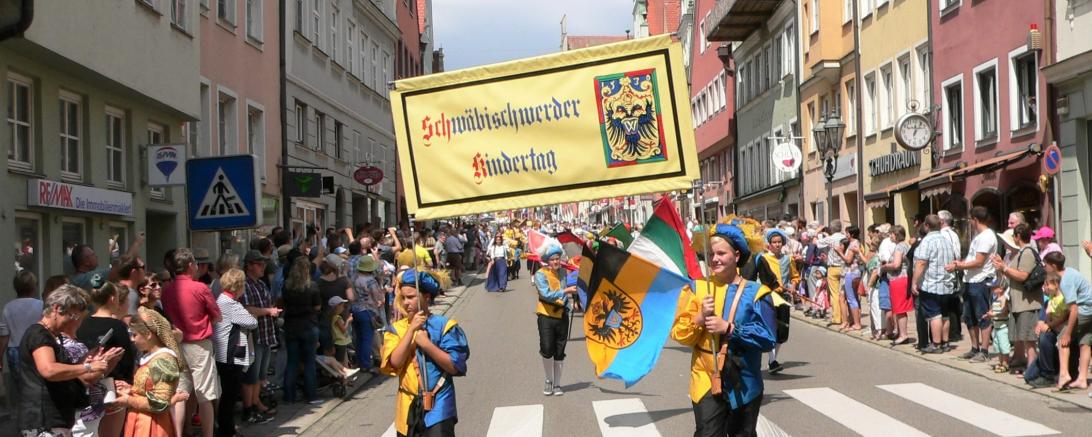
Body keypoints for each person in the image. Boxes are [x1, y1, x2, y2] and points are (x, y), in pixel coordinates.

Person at [671, 220, 779, 437]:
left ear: (736, 256)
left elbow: (768, 338)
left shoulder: (757, 292)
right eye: (711, 254)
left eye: (721, 253)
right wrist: (699, 317)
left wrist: (729, 328)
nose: (714, 259)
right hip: (706, 379)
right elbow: (679, 334)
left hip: (746, 380)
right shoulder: (697, 288)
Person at [19, 285, 119, 436]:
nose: (75, 321)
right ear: (57, 309)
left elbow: (67, 374)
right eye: (73, 316)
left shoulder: (53, 336)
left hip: (57, 421)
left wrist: (87, 359)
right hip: (43, 422)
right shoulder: (39, 334)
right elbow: (49, 370)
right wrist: (88, 367)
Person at [381, 268, 469, 437]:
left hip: (440, 404)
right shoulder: (396, 329)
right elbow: (394, 363)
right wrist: (411, 330)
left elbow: (455, 366)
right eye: (403, 298)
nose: (406, 303)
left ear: (426, 297)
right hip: (408, 405)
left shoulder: (445, 326)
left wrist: (427, 345)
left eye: (411, 297)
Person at [161, 248, 222, 437]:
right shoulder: (200, 288)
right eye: (195, 263)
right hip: (199, 344)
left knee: (180, 393)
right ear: (190, 265)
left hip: (176, 344)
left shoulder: (167, 290)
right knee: (205, 395)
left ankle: (179, 433)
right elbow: (217, 316)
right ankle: (208, 434)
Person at [75, 281, 138, 437]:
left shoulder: (83, 323)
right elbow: (126, 360)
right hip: (111, 386)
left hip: (86, 383)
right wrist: (128, 384)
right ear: (112, 298)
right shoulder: (118, 326)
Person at [119, 308, 184, 437]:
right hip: (141, 420)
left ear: (148, 334)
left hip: (153, 425)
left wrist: (128, 400)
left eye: (135, 334)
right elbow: (149, 388)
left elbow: (160, 403)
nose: (132, 339)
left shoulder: (164, 360)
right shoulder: (151, 357)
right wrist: (131, 389)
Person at [214, 268, 261, 434]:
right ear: (238, 286)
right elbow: (252, 322)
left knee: (228, 395)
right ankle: (227, 431)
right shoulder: (231, 304)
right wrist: (251, 316)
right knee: (230, 396)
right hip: (231, 355)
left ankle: (226, 429)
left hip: (224, 353)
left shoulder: (221, 299)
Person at [947, 206, 997, 363]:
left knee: (982, 316)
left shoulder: (987, 236)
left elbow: (979, 262)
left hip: (980, 281)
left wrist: (959, 266)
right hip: (970, 280)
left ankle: (984, 350)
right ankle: (974, 348)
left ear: (975, 220)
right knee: (969, 317)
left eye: (970, 219)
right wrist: (960, 263)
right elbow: (971, 259)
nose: (969, 222)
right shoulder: (978, 236)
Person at [992, 224, 1041, 375]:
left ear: (1018, 236)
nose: (1013, 238)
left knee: (1029, 339)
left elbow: (1023, 275)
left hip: (1027, 303)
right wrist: (1002, 266)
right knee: (1024, 337)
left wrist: (1005, 268)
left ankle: (1032, 370)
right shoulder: (1021, 252)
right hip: (1019, 302)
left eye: (1014, 235)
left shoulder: (1027, 252)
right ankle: (1025, 364)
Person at [240, 250, 280, 424]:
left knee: (260, 375)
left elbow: (268, 303)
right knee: (251, 375)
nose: (263, 267)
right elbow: (247, 309)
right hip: (253, 335)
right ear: (249, 266)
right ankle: (248, 409)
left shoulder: (261, 284)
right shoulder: (245, 285)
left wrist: (272, 310)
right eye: (259, 264)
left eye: (264, 264)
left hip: (265, 333)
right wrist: (268, 311)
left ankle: (256, 403)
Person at [533, 242, 578, 396]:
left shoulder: (564, 272)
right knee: (547, 349)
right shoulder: (540, 274)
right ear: (547, 261)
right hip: (546, 315)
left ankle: (557, 384)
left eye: (557, 258)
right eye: (552, 259)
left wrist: (574, 300)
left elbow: (570, 288)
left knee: (560, 351)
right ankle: (548, 380)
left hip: (562, 315)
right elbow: (546, 294)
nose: (555, 261)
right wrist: (565, 291)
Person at [1043, 252, 1092, 392]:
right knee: (1085, 342)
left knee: (1062, 340)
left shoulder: (1065, 281)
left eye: (1045, 265)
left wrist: (1068, 333)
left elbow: (1074, 309)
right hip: (1090, 308)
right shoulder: (1069, 271)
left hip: (1084, 309)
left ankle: (1064, 375)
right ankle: (1082, 380)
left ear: (1053, 266)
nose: (1044, 267)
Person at [913, 215, 959, 354]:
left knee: (934, 315)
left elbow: (921, 263)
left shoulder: (927, 241)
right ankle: (945, 342)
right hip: (946, 283)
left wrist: (914, 281)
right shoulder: (946, 240)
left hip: (931, 284)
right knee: (944, 314)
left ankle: (936, 344)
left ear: (927, 226)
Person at [281, 256, 323, 404]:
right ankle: (311, 396)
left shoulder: (286, 286)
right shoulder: (312, 286)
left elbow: (284, 304)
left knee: (292, 361)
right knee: (309, 362)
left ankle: (289, 396)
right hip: (308, 325)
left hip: (291, 326)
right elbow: (317, 306)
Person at [1, 271, 43, 402]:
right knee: (39, 385)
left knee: (22, 388)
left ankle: (26, 410)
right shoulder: (40, 305)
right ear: (34, 286)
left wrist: (0, 355)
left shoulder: (8, 308)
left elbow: (4, 335)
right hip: (36, 348)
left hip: (15, 350)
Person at [1025, 275, 1067, 388]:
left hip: (1061, 331)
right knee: (1028, 376)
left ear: (1056, 285)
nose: (1045, 287)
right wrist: (1042, 324)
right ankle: (1046, 368)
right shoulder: (1051, 298)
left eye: (1047, 284)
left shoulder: (1063, 298)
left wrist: (1048, 325)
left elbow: (1063, 317)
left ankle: (1048, 375)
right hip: (1053, 329)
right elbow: (1047, 314)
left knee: (1045, 337)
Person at [70, 233, 144, 291]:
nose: (96, 256)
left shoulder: (79, 279)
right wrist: (136, 243)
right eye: (93, 255)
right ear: (86, 262)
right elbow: (120, 268)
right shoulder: (87, 279)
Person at [351, 255, 383, 371]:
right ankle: (366, 364)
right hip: (368, 310)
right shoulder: (370, 281)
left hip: (355, 309)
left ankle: (360, 362)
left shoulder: (354, 278)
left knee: (359, 337)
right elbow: (377, 296)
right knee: (367, 339)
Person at [884, 226, 913, 346]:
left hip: (899, 279)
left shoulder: (899, 246)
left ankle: (903, 335)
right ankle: (901, 333)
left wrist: (885, 266)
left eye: (891, 233)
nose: (890, 236)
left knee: (900, 309)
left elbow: (896, 264)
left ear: (896, 234)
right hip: (903, 279)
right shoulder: (905, 245)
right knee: (899, 309)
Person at [823, 221, 848, 327]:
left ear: (832, 228)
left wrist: (819, 232)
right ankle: (845, 317)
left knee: (834, 294)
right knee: (844, 294)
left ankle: (837, 318)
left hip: (833, 268)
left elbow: (816, 242)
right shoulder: (845, 237)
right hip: (843, 267)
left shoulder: (830, 238)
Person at [985, 276, 1012, 373]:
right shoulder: (996, 298)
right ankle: (1000, 362)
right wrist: (988, 314)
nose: (992, 290)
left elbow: (1004, 312)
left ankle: (1005, 363)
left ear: (1001, 288)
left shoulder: (1004, 299)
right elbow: (993, 310)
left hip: (1002, 326)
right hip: (996, 326)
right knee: (998, 346)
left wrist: (994, 314)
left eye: (994, 288)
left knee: (1004, 346)